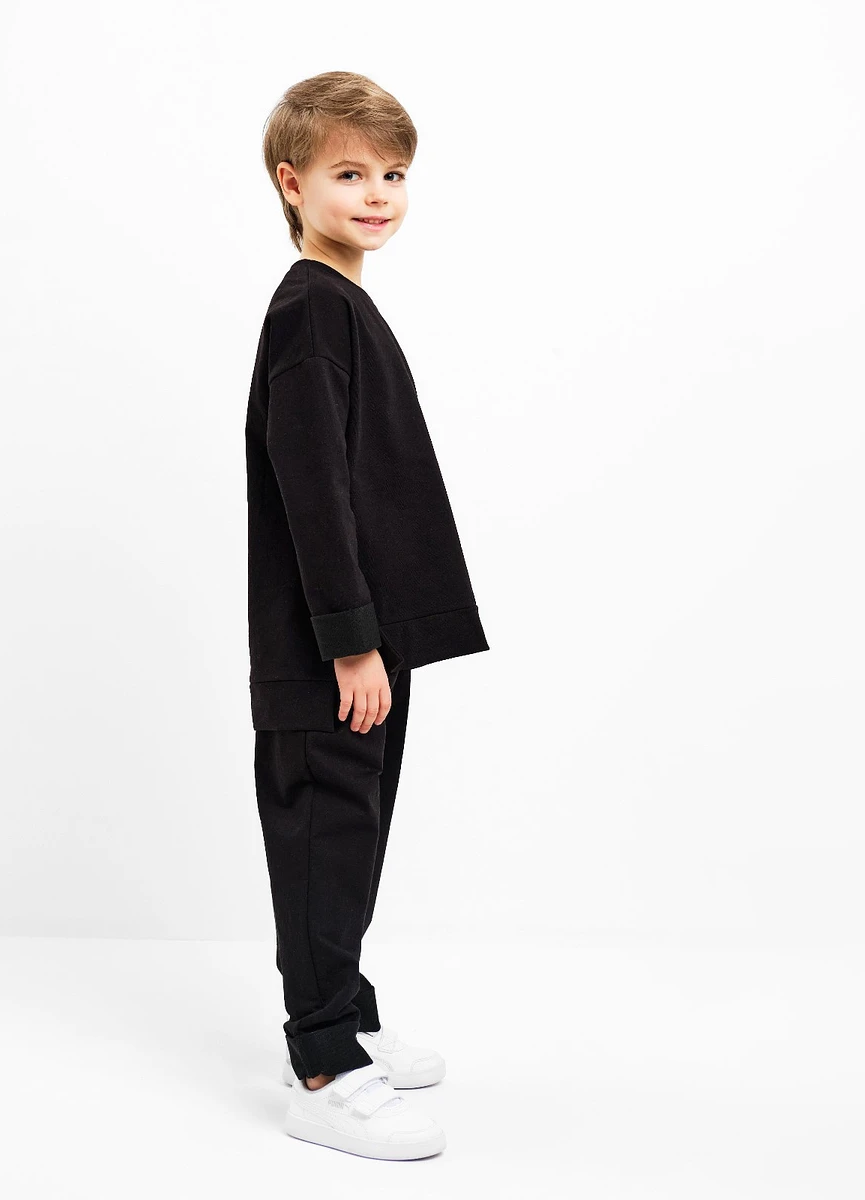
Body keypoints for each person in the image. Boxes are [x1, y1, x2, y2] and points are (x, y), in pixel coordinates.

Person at [246, 71, 490, 1161]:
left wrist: (378, 637)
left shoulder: (342, 302)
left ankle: (345, 1011)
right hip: (328, 648)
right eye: (351, 173)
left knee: (357, 831)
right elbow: (315, 487)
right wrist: (349, 642)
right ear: (291, 184)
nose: (379, 193)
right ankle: (323, 1064)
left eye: (393, 173)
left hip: (368, 639)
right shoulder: (310, 309)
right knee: (324, 834)